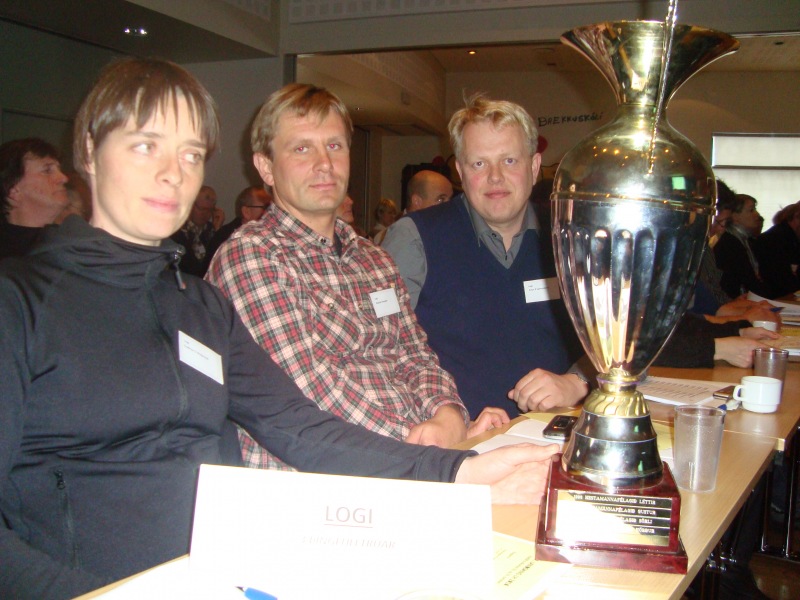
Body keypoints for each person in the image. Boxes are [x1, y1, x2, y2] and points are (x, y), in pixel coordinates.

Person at [0, 59, 559, 600]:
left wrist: (460, 470)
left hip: (244, 567)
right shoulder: (19, 304)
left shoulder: (197, 306)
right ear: (89, 152)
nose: (174, 172)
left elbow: (297, 425)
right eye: (146, 146)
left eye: (191, 153)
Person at [207, 83, 507, 471]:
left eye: (334, 146)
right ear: (265, 166)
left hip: (413, 459)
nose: (324, 163)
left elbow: (415, 356)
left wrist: (448, 414)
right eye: (302, 148)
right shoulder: (251, 257)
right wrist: (435, 451)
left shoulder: (373, 259)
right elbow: (313, 394)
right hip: (319, 483)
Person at [383, 94, 586, 420]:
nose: (495, 177)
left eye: (509, 161)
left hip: (556, 433)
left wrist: (577, 381)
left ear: (534, 167)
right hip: (458, 441)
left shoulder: (571, 237)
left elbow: (622, 341)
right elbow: (378, 349)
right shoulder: (414, 238)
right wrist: (447, 421)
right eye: (479, 163)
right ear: (460, 172)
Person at [0, 138, 70, 259]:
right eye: (47, 170)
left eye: (59, 170)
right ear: (14, 191)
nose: (64, 178)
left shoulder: (74, 241)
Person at [714, 192, 773, 299]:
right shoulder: (730, 243)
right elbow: (747, 280)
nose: (757, 214)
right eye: (751, 210)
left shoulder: (745, 239)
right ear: (735, 216)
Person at [205, 185, 272, 261]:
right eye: (266, 207)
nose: (271, 212)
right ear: (246, 212)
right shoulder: (227, 240)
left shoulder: (271, 235)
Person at [753, 201, 800, 297]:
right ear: (796, 216)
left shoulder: (786, 236)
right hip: (775, 299)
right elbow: (781, 280)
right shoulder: (775, 239)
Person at [170, 184, 217, 276]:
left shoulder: (211, 230)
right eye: (202, 209)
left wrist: (217, 231)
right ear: (190, 205)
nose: (205, 214)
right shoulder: (176, 230)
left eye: (210, 210)